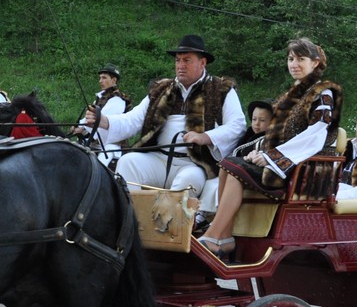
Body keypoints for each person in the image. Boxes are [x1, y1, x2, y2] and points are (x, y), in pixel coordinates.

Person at [197, 38, 343, 260]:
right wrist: (259, 151)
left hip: (302, 169)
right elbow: (274, 135)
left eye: (300, 59)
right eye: (291, 58)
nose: (294, 64)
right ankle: (224, 237)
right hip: (280, 161)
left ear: (315, 63)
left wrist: (273, 157)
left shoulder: (323, 93)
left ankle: (213, 234)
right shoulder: (292, 93)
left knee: (236, 170)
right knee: (228, 165)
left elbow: (315, 135)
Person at [84, 35, 246, 197]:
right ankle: (134, 221)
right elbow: (134, 119)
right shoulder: (161, 88)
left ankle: (172, 222)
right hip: (158, 158)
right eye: (178, 60)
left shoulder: (221, 89)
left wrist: (205, 137)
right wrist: (104, 121)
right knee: (128, 162)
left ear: (202, 63)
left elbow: (237, 125)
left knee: (187, 180)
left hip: (194, 164)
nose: (180, 65)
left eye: (187, 60)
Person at [70, 63, 132, 168]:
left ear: (114, 80)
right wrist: (77, 126)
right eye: (100, 78)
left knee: (100, 166)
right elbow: (89, 118)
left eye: (104, 78)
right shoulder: (100, 98)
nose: (100, 81)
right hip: (96, 142)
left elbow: (103, 123)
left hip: (110, 144)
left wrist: (83, 129)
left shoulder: (117, 100)